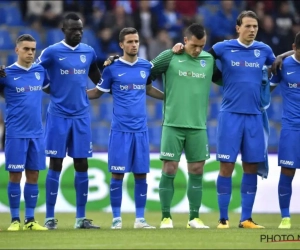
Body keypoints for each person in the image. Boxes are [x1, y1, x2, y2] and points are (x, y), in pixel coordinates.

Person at [104, 23, 217, 229]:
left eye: (202, 46)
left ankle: (194, 218)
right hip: (172, 123)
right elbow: (143, 73)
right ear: (185, 41)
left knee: (197, 169)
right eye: (194, 45)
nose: (198, 50)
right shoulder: (170, 56)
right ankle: (166, 217)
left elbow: (226, 78)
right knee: (170, 168)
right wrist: (115, 61)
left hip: (198, 124)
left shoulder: (209, 60)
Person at [87, 27, 163, 229]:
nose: (134, 45)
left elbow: (148, 89)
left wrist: (169, 97)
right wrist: (71, 94)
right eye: (129, 41)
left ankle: (140, 219)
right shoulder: (111, 69)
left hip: (141, 130)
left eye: (136, 41)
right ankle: (117, 219)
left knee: (141, 174)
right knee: (117, 174)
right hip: (120, 130)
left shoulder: (146, 66)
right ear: (121, 44)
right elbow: (97, 92)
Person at [36, 13, 101, 229]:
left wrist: (114, 73)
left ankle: (81, 218)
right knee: (56, 163)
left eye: (81, 29)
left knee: (82, 163)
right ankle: (49, 217)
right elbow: (36, 72)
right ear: (64, 30)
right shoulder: (52, 52)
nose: (79, 33)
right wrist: (48, 88)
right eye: (74, 29)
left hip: (81, 116)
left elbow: (98, 79)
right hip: (58, 116)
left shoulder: (88, 51)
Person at [0, 34, 48, 231]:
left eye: (33, 49)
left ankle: (29, 219)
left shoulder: (40, 71)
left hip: (36, 133)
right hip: (15, 133)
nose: (30, 53)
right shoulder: (6, 74)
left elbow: (53, 89)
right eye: (26, 49)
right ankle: (14, 220)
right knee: (15, 176)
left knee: (34, 175)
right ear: (17, 50)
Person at [269, 32, 300, 229]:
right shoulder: (283, 65)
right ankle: (285, 217)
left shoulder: (284, 58)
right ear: (295, 47)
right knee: (287, 170)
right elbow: (268, 89)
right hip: (291, 127)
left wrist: (282, 53)